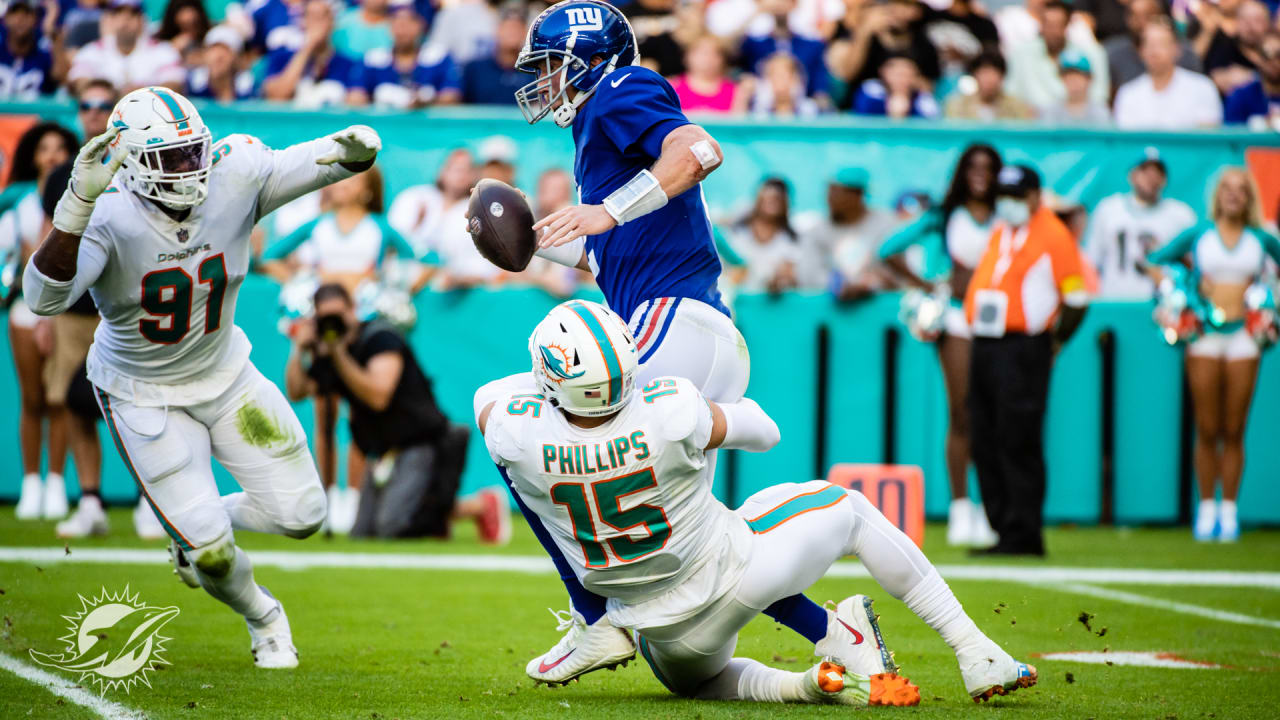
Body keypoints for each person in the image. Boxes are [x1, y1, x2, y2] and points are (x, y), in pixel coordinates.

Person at [474, 299, 1038, 705]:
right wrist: (696, 416)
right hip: (741, 573)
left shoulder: (516, 434)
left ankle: (806, 674)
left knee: (696, 686)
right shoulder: (670, 409)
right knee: (848, 511)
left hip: (659, 631)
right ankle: (974, 651)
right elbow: (765, 431)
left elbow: (493, 397)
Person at [511, 0, 837, 686]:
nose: (541, 81)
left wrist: (604, 210)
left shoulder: (621, 90)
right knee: (687, 542)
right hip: (678, 321)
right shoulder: (600, 129)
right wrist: (536, 246)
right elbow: (615, 259)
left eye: (550, 66)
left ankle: (591, 620)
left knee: (528, 438)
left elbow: (698, 151)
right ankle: (833, 633)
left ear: (590, 60)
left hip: (672, 321)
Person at [22, 86, 381, 668]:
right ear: (133, 164)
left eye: (195, 152)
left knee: (304, 516)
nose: (190, 170)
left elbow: (328, 161)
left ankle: (189, 526)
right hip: (143, 393)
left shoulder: (232, 171)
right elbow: (43, 298)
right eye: (172, 159)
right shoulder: (107, 211)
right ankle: (264, 617)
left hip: (227, 375)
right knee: (213, 553)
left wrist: (357, 151)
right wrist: (73, 210)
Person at [285, 283, 508, 541]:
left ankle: (480, 505)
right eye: (326, 318)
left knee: (393, 526)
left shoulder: (381, 338)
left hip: (420, 442)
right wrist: (298, 348)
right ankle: (431, 520)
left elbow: (378, 396)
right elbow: (298, 392)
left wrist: (338, 355)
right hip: (381, 451)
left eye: (339, 315)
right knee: (363, 534)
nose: (334, 323)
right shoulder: (330, 352)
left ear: (353, 310)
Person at [878, 144, 1002, 548]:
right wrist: (930, 284)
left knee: (996, 413)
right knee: (964, 408)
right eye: (973, 167)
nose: (980, 174)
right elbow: (888, 250)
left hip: (1000, 321)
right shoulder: (945, 217)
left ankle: (990, 508)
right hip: (956, 319)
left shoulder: (1007, 217)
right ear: (962, 173)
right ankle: (961, 507)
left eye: (988, 168)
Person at [1147, 168, 1280, 543]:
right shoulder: (1199, 235)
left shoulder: (1261, 238)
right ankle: (1206, 509)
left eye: (1241, 190)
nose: (1234, 196)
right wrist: (1184, 286)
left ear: (1249, 197)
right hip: (1204, 335)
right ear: (1217, 195)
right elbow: (1154, 262)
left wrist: (1268, 296)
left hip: (1245, 337)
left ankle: (1229, 510)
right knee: (1207, 427)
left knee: (1235, 428)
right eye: (1227, 189)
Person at [964, 164, 1090, 557]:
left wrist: (1055, 343)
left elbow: (1077, 298)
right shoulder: (1003, 230)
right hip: (986, 343)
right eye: (1004, 194)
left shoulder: (1054, 235)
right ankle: (1004, 528)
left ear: (1037, 196)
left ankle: (1024, 532)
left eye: (1017, 195)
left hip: (1022, 347)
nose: (1009, 203)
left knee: (1017, 439)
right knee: (984, 437)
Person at [6, 122, 78, 522]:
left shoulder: (82, 197)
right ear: (32, 155)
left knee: (60, 399)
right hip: (23, 305)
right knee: (32, 398)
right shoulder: (16, 199)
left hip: (66, 308)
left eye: (60, 148)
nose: (51, 155)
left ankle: (55, 484)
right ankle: (31, 483)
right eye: (44, 148)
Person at [1084, 150, 1196, 299]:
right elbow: (1091, 262)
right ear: (1132, 175)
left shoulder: (1180, 215)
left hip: (1163, 304)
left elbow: (1193, 265)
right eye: (1145, 171)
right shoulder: (1108, 209)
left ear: (1165, 179)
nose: (1151, 177)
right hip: (1115, 300)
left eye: (1157, 172)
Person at [803, 167, 898, 298]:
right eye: (829, 191)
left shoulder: (886, 224)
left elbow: (895, 272)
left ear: (857, 195)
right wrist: (837, 285)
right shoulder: (817, 231)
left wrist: (872, 284)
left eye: (836, 192)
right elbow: (809, 274)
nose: (829, 198)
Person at [348, 0, 461, 108]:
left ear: (420, 25)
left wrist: (424, 102)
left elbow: (451, 96)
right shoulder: (372, 59)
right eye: (396, 22)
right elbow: (354, 96)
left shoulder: (439, 57)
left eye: (409, 22)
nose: (402, 30)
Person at [1004, 0, 1110, 113]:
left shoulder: (1092, 53)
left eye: (1058, 25)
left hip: (1078, 124)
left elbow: (1100, 96)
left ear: (1068, 25)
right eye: (1048, 25)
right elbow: (1010, 94)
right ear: (1040, 23)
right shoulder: (1021, 53)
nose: (1053, 31)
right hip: (1031, 125)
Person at [1114, 19, 1222, 128]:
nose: (1154, 51)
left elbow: (1208, 137)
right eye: (1149, 44)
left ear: (1176, 49)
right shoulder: (1127, 93)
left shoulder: (1203, 87)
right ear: (1141, 51)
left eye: (1161, 44)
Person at [67, 0, 186, 94]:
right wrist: (114, 93)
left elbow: (174, 86)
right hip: (107, 116)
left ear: (142, 19)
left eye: (133, 14)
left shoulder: (163, 50)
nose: (125, 20)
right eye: (118, 13)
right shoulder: (92, 50)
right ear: (110, 19)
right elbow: (78, 82)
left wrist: (139, 94)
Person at [262, 0, 363, 107]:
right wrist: (307, 49)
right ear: (303, 22)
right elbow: (277, 96)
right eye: (311, 17)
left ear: (332, 22)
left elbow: (357, 104)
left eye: (321, 17)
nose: (317, 24)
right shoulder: (282, 57)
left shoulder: (348, 64)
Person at [722, 177, 808, 293]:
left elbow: (792, 277)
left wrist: (782, 280)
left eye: (778, 197)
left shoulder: (791, 240)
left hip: (767, 304)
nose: (773, 198)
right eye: (768, 193)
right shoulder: (736, 231)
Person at [738, 0, 829, 100]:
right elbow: (729, 49)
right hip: (761, 109)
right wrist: (759, 10)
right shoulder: (755, 45)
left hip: (802, 109)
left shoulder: (812, 46)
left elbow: (820, 87)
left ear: (794, 4)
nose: (780, 4)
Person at [1104, 0, 1202, 89]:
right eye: (1135, 16)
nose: (1141, 22)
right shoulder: (1114, 54)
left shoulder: (1186, 55)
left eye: (1148, 15)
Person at [1197, 0, 1269, 96]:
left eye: (1257, 20)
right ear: (1237, 22)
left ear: (1268, 23)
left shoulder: (1275, 50)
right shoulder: (1225, 47)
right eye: (1245, 20)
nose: (1251, 27)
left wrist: (1253, 77)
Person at [459, 8, 526, 105]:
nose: (512, 33)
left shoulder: (535, 70)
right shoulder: (474, 68)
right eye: (508, 28)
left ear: (525, 32)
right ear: (497, 30)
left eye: (517, 28)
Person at [944, 51, 1034, 121]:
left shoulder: (1017, 107)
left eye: (994, 73)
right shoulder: (956, 106)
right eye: (984, 73)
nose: (989, 79)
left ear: (1002, 77)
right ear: (975, 75)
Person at [671, 34, 745, 114]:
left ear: (723, 59)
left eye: (715, 54)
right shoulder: (672, 88)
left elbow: (738, 123)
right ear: (687, 56)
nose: (708, 59)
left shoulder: (736, 91)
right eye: (702, 53)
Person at [852, 53, 940, 119]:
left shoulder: (923, 99)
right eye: (897, 74)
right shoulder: (871, 90)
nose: (901, 79)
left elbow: (932, 123)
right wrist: (888, 105)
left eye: (907, 74)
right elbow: (862, 114)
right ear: (884, 72)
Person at [186, 25, 258, 102]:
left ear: (237, 58)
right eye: (213, 49)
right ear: (204, 54)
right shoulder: (189, 84)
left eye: (226, 50)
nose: (218, 56)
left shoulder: (249, 88)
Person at [1224, 28, 1280, 127]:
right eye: (1266, 55)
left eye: (1279, 55)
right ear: (1257, 58)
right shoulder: (1241, 96)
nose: (1274, 62)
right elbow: (1233, 136)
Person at [1041, 48, 1112, 125]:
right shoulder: (1052, 111)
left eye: (1078, 76)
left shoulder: (1100, 112)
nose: (1073, 81)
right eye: (1068, 76)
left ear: (1089, 79)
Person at [0, 0, 56, 99]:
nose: (20, 19)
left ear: (35, 19)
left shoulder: (43, 56)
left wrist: (54, 38)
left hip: (34, 113)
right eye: (15, 13)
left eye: (27, 13)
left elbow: (61, 78)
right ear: (6, 18)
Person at [748, 51, 820, 117]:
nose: (780, 82)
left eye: (785, 76)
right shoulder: (758, 112)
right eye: (775, 76)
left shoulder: (809, 110)